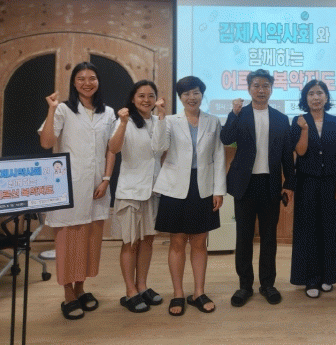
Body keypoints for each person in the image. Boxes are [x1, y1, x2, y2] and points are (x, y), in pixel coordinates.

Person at [39, 62, 116, 320]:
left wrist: (106, 180)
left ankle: (81, 288)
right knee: (68, 242)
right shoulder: (63, 109)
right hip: (69, 186)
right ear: (74, 83)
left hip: (97, 187)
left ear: (98, 82)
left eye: (92, 78)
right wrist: (51, 109)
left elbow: (112, 149)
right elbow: (47, 141)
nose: (87, 83)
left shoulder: (108, 113)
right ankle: (68, 294)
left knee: (90, 242)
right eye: (81, 78)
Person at [151, 76, 226, 316]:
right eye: (186, 94)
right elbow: (158, 147)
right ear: (180, 97)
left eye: (196, 92)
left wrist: (219, 190)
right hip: (175, 187)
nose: (191, 97)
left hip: (203, 187)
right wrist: (160, 116)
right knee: (177, 242)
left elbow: (219, 156)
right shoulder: (170, 121)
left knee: (199, 242)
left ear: (202, 94)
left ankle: (198, 293)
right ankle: (178, 293)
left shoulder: (213, 121)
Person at [220, 69, 295, 307]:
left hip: (270, 184)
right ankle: (245, 286)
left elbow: (287, 155)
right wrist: (233, 114)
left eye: (265, 86)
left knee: (269, 237)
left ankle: (267, 284)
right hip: (245, 184)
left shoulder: (281, 119)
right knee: (243, 237)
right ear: (249, 88)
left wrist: (289, 183)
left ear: (271, 89)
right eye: (256, 85)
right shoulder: (240, 114)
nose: (261, 90)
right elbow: (225, 138)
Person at [108, 80, 163, 313]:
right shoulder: (125, 121)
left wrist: (162, 117)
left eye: (151, 96)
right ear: (133, 98)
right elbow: (113, 148)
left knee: (148, 241)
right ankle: (130, 290)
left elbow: (163, 151)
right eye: (141, 96)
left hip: (153, 190)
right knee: (130, 242)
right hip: (130, 191)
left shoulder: (159, 122)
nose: (146, 100)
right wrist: (122, 123)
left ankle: (142, 286)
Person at [289, 80, 336, 298]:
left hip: (330, 182)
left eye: (320, 93)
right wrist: (304, 130)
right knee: (308, 230)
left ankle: (328, 276)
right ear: (305, 98)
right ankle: (311, 279)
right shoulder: (298, 121)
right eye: (311, 93)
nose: (316, 97)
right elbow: (300, 152)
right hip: (306, 182)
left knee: (329, 228)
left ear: (326, 97)